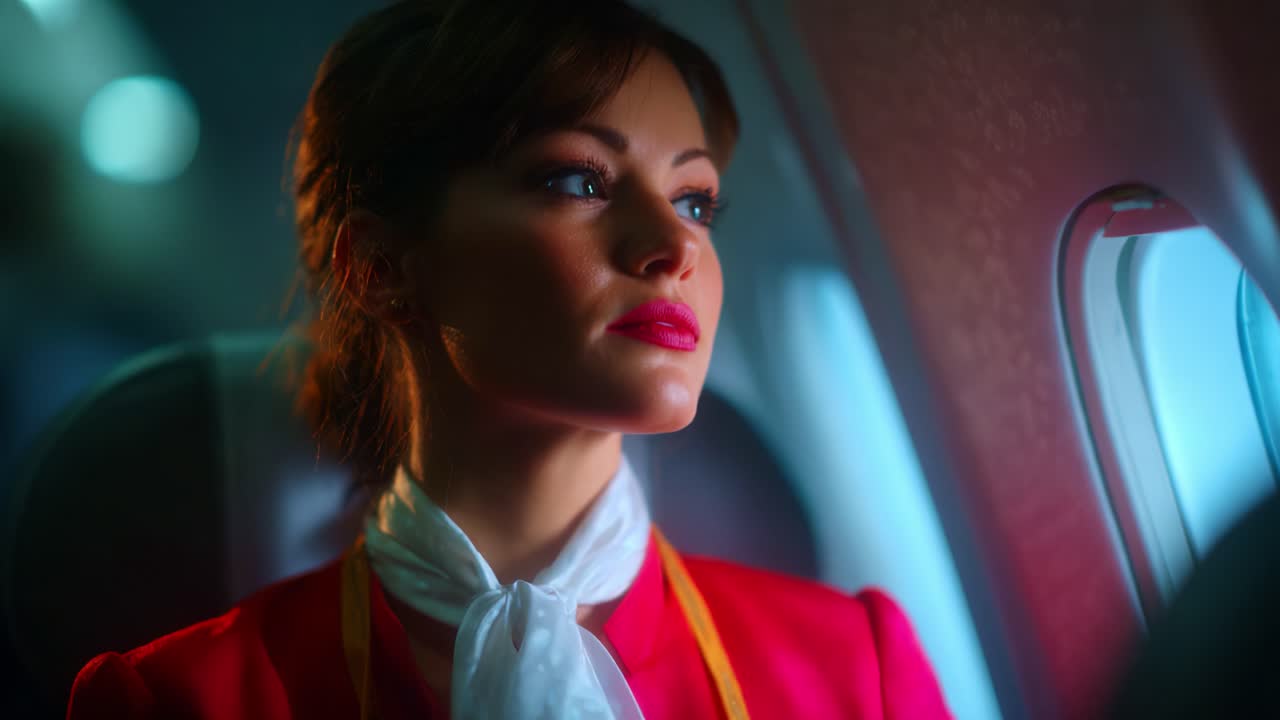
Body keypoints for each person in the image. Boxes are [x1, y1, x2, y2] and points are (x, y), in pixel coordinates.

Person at [66, 1, 952, 717]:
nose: (673, 248)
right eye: (580, 180)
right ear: (380, 269)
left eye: (694, 201)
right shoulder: (175, 700)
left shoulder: (857, 669)